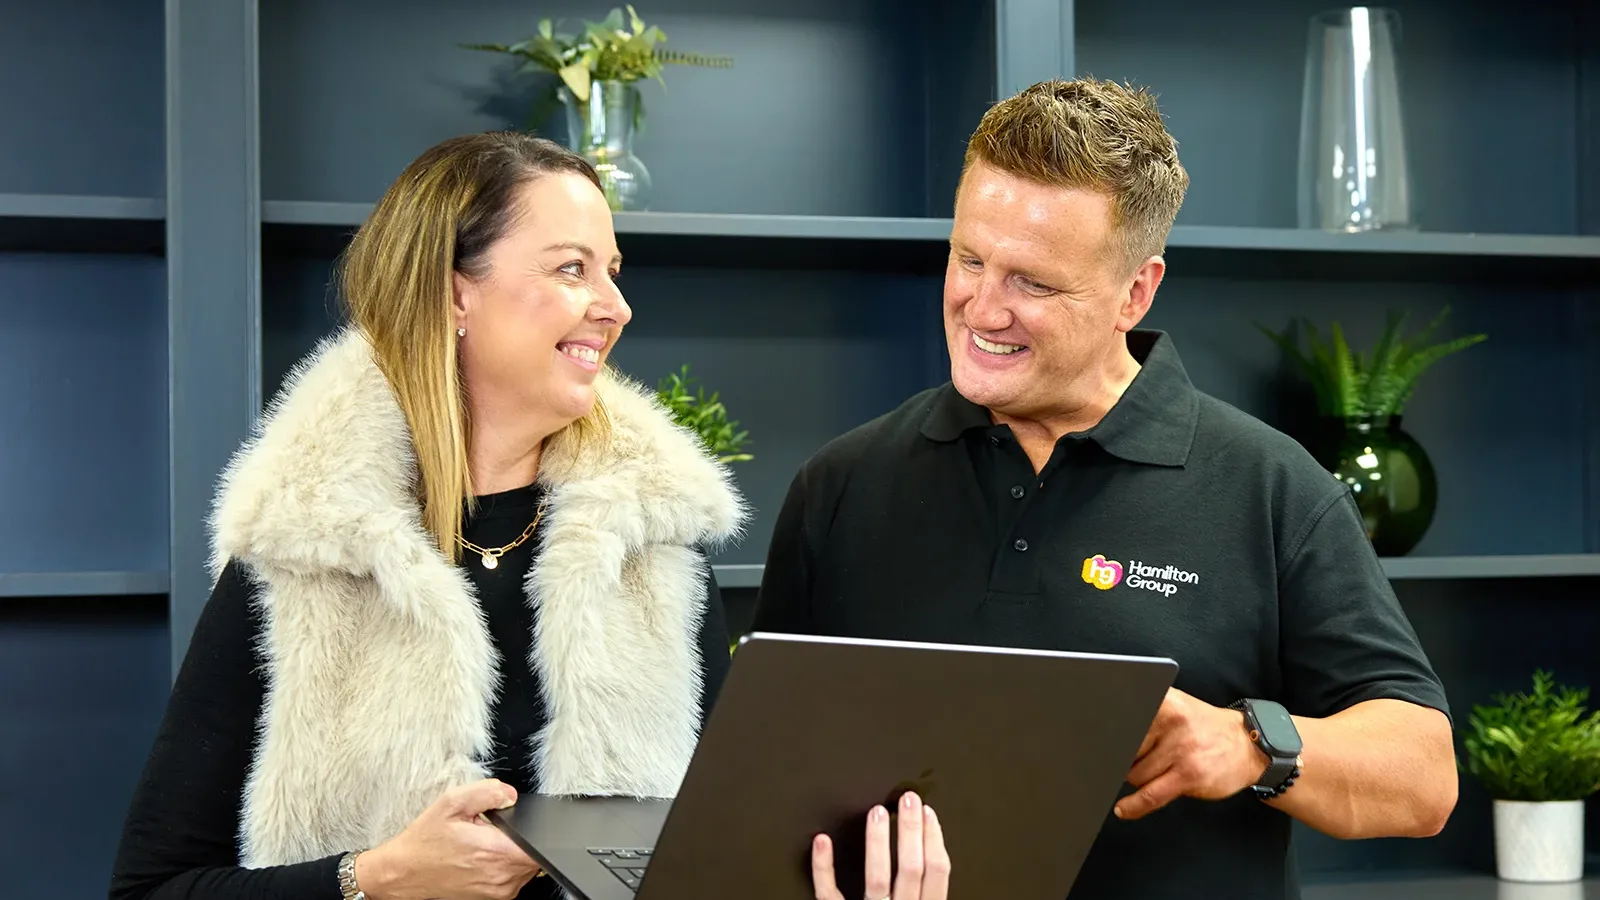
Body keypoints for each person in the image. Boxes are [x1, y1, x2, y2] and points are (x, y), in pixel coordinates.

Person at [109, 132, 951, 900]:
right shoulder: (302, 553)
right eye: (571, 269)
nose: (615, 306)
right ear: (453, 297)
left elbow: (719, 864)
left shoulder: (652, 549)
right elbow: (152, 890)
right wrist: (376, 880)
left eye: (612, 271)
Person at [750, 78, 1458, 899]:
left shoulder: (1270, 488)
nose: (981, 307)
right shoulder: (841, 486)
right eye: (969, 259)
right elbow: (764, 771)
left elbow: (1424, 777)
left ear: (1136, 292)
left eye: (1033, 283)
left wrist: (1251, 745)